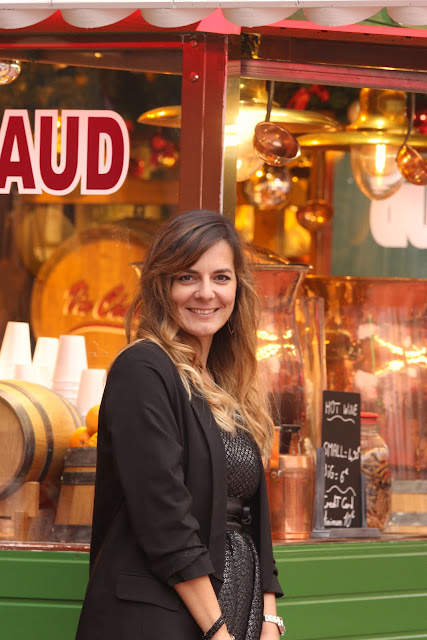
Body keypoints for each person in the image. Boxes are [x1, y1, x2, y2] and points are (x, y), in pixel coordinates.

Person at [76, 210, 284, 640]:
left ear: (238, 288)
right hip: (165, 620)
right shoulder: (144, 369)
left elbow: (251, 518)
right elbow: (163, 518)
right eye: (187, 277)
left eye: (221, 277)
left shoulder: (226, 382)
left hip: (234, 620)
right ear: (162, 286)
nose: (206, 293)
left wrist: (268, 618)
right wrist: (217, 631)